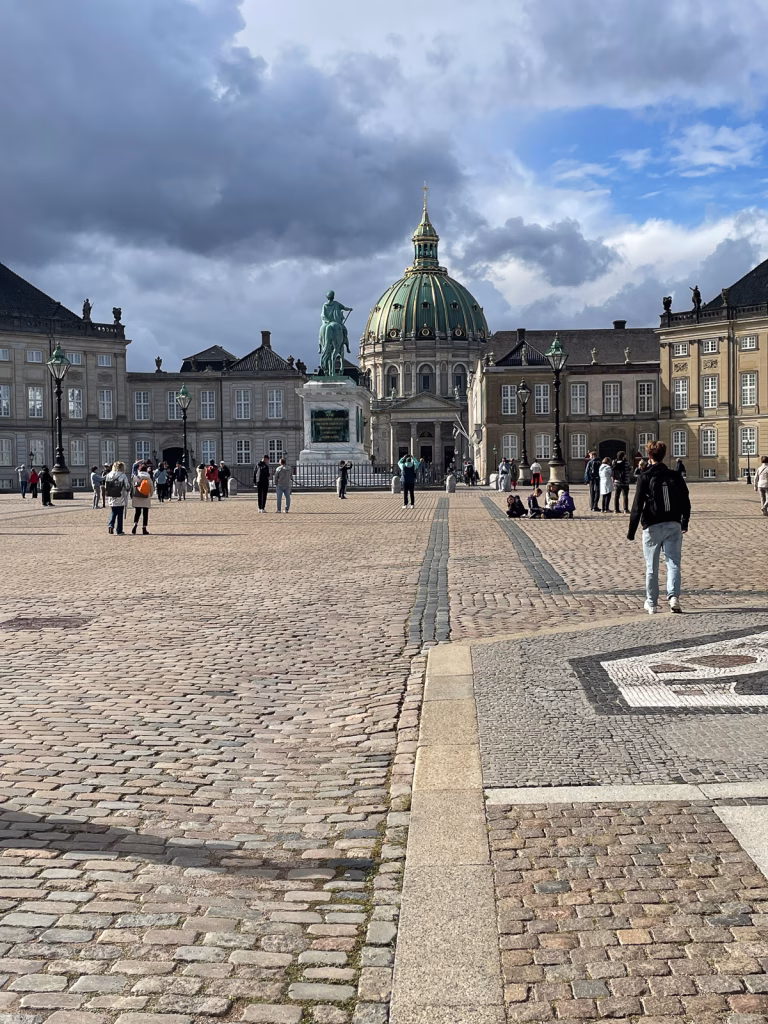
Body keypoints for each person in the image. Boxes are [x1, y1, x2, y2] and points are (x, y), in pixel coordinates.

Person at [628, 440, 691, 615]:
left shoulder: (644, 477)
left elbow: (636, 506)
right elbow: (686, 500)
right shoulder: (675, 475)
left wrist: (631, 531)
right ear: (664, 455)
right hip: (673, 523)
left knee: (651, 566)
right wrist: (684, 521)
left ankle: (652, 603)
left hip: (652, 525)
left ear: (649, 456)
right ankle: (673, 597)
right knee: (673, 563)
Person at [104, 460, 130, 534]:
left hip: (112, 496)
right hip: (120, 496)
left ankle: (111, 525)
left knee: (113, 512)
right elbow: (127, 486)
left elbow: (106, 486)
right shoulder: (122, 475)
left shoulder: (109, 475)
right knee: (120, 514)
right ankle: (119, 530)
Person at [130, 462, 154, 534]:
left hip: (137, 496)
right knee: (145, 513)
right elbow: (152, 488)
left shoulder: (136, 477)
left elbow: (132, 488)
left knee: (137, 512)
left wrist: (132, 496)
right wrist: (150, 495)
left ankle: (135, 524)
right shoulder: (149, 478)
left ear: (139, 470)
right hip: (146, 496)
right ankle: (144, 528)